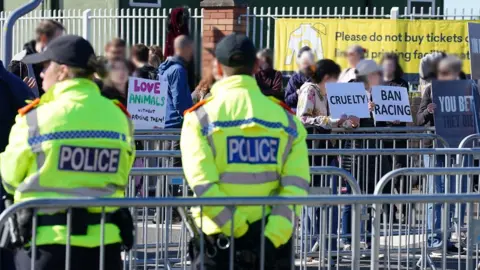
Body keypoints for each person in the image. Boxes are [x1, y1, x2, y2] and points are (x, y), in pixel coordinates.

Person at [0, 35, 135, 270]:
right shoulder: (119, 117)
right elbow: (123, 171)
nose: (41, 74)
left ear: (62, 71)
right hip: (105, 246)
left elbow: (9, 177)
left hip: (46, 245)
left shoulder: (34, 119)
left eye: (44, 67)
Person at [181, 33, 310, 270]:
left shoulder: (199, 118)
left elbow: (203, 185)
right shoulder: (287, 121)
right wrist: (270, 239)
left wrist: (238, 228)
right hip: (272, 245)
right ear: (257, 66)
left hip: (218, 242)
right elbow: (296, 186)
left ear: (218, 67)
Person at [296, 59, 358, 255]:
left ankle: (328, 246)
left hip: (326, 150)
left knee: (328, 200)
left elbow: (335, 120)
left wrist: (349, 123)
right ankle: (309, 248)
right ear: (326, 76)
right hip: (313, 152)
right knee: (313, 202)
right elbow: (302, 118)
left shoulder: (325, 93)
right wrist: (331, 120)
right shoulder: (309, 90)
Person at [417, 55, 467, 252]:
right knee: (436, 195)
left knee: (456, 195)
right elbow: (419, 119)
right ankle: (434, 239)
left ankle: (450, 238)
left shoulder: (467, 89)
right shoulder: (432, 89)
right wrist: (429, 110)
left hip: (458, 149)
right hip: (436, 148)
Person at [341, 59, 381, 252]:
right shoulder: (351, 88)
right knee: (352, 194)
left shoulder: (381, 91)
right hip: (355, 150)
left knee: (371, 196)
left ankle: (369, 238)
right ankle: (348, 237)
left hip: (373, 151)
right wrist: (364, 112)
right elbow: (345, 118)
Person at [9, 19, 65, 97]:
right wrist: (22, 90)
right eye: (57, 40)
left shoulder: (58, 59)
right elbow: (9, 95)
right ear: (43, 38)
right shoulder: (19, 62)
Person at [159, 35, 194, 129]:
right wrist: (190, 117)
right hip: (176, 124)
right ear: (185, 48)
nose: (192, 53)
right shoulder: (178, 70)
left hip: (167, 121)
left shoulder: (167, 68)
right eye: (191, 49)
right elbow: (179, 101)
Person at [284, 46, 314, 111]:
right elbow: (287, 100)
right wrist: (297, 94)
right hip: (298, 110)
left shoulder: (318, 75)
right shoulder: (295, 78)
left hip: (315, 110)